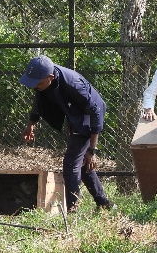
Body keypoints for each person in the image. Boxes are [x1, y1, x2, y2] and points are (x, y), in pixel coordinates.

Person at [19, 55, 114, 211]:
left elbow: (95, 112)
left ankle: (72, 210)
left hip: (89, 116)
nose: (35, 87)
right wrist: (31, 124)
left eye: (38, 83)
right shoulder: (44, 80)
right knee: (82, 164)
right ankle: (103, 203)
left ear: (50, 77)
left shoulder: (73, 84)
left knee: (70, 165)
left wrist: (92, 149)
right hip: (74, 114)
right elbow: (39, 100)